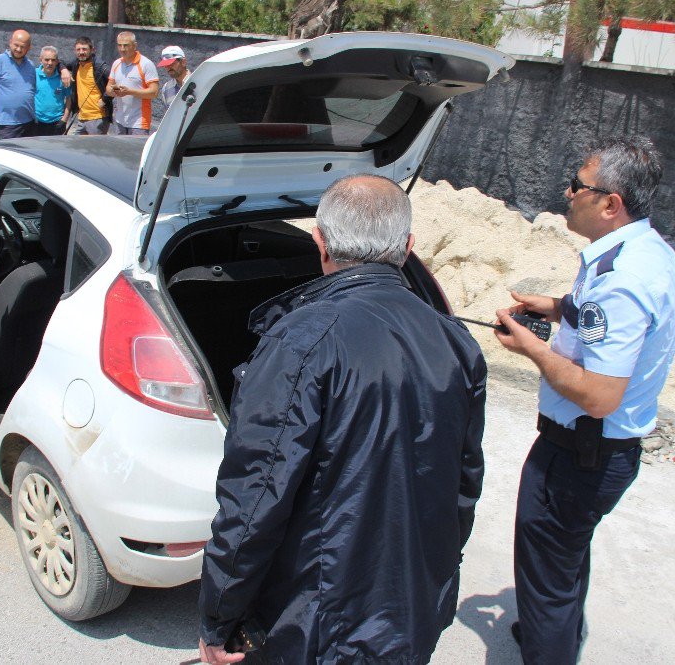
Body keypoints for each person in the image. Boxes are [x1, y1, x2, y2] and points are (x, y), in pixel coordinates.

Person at [197, 174, 487, 665]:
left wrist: (219, 618)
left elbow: (254, 499)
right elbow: (463, 487)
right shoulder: (456, 342)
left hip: (318, 627)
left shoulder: (301, 342)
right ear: (408, 246)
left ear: (320, 242)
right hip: (413, 609)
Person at [493, 137, 675, 664]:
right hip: (597, 452)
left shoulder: (621, 280)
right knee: (565, 559)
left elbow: (599, 395)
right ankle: (552, 634)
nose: (568, 191)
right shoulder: (646, 253)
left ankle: (549, 646)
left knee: (547, 573)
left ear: (610, 204)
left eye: (578, 184)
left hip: (581, 452)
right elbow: (609, 327)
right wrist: (557, 308)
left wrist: (531, 347)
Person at [0, 30, 36, 139]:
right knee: (9, 155)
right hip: (7, 124)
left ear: (29, 48)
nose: (18, 49)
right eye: (16, 45)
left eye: (23, 47)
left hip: (28, 121)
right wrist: (1, 104)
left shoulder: (30, 65)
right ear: (10, 42)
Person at [105, 31, 159, 136]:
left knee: (136, 153)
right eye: (119, 45)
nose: (122, 49)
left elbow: (154, 92)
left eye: (126, 45)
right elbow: (108, 89)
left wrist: (129, 92)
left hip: (139, 122)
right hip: (120, 121)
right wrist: (113, 90)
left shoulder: (146, 64)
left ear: (135, 46)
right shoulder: (116, 64)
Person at [63, 36, 112, 135]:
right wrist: (64, 70)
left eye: (84, 49)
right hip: (81, 118)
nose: (81, 52)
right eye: (78, 49)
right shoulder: (76, 64)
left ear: (92, 50)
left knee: (94, 150)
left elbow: (115, 83)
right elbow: (60, 62)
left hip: (97, 118)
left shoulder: (101, 67)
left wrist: (105, 99)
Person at [34, 46, 71, 136]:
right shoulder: (33, 75)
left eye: (53, 60)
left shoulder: (64, 78)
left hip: (57, 123)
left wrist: (64, 120)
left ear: (57, 61)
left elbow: (69, 100)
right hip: (37, 123)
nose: (50, 63)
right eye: (46, 60)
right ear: (40, 60)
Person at [157, 45, 190, 115]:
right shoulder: (166, 88)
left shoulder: (198, 82)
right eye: (165, 65)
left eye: (172, 64)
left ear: (183, 62)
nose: (168, 68)